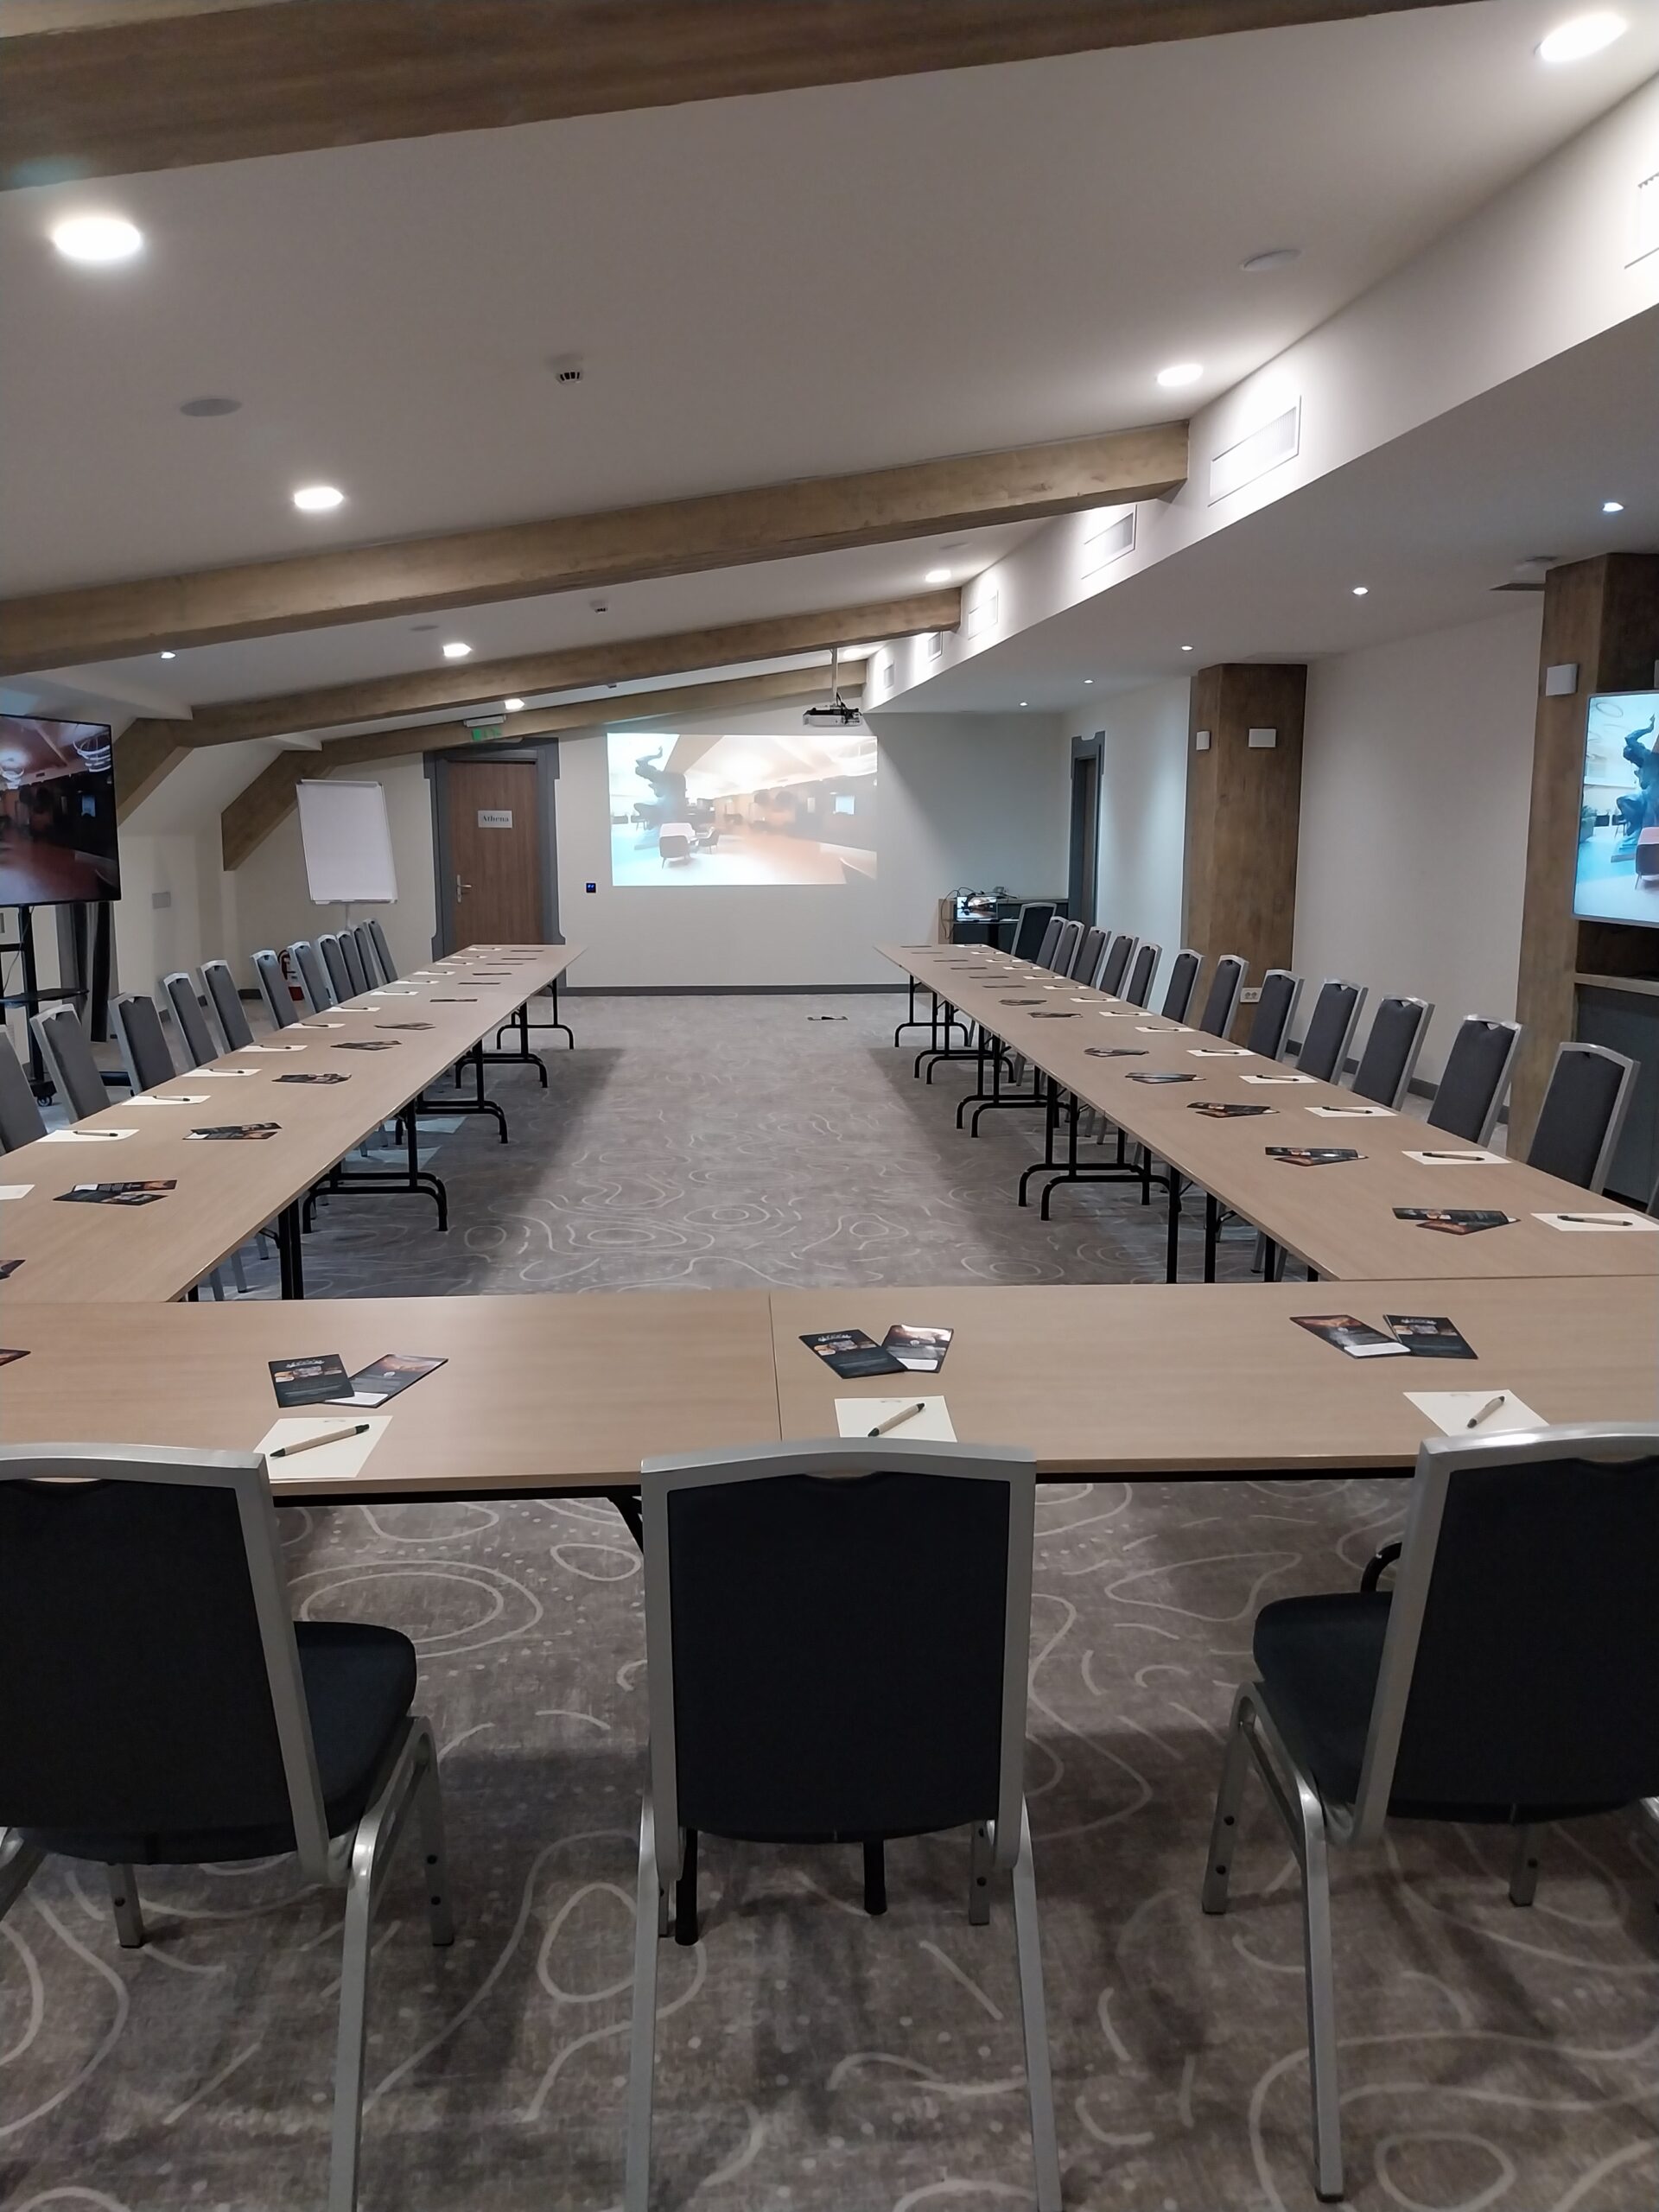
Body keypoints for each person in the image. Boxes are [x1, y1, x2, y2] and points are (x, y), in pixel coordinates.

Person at [1612, 717, 1657, 857]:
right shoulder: (1644, 763)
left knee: (1646, 811)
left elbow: (1630, 738)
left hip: (1653, 794)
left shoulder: (1647, 756)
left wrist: (1649, 729)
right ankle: (1639, 834)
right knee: (1626, 801)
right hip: (1651, 794)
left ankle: (1643, 837)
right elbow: (1630, 739)